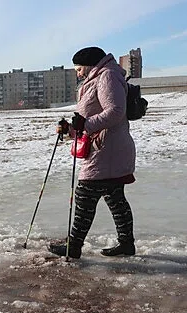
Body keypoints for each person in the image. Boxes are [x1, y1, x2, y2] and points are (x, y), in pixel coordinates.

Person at [49, 46, 136, 259]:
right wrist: (71, 128)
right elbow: (90, 118)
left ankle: (74, 246)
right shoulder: (98, 78)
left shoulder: (107, 76)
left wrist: (85, 124)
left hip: (106, 151)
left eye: (78, 68)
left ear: (88, 65)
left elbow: (115, 111)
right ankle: (126, 244)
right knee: (115, 198)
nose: (77, 73)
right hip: (107, 149)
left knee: (85, 196)